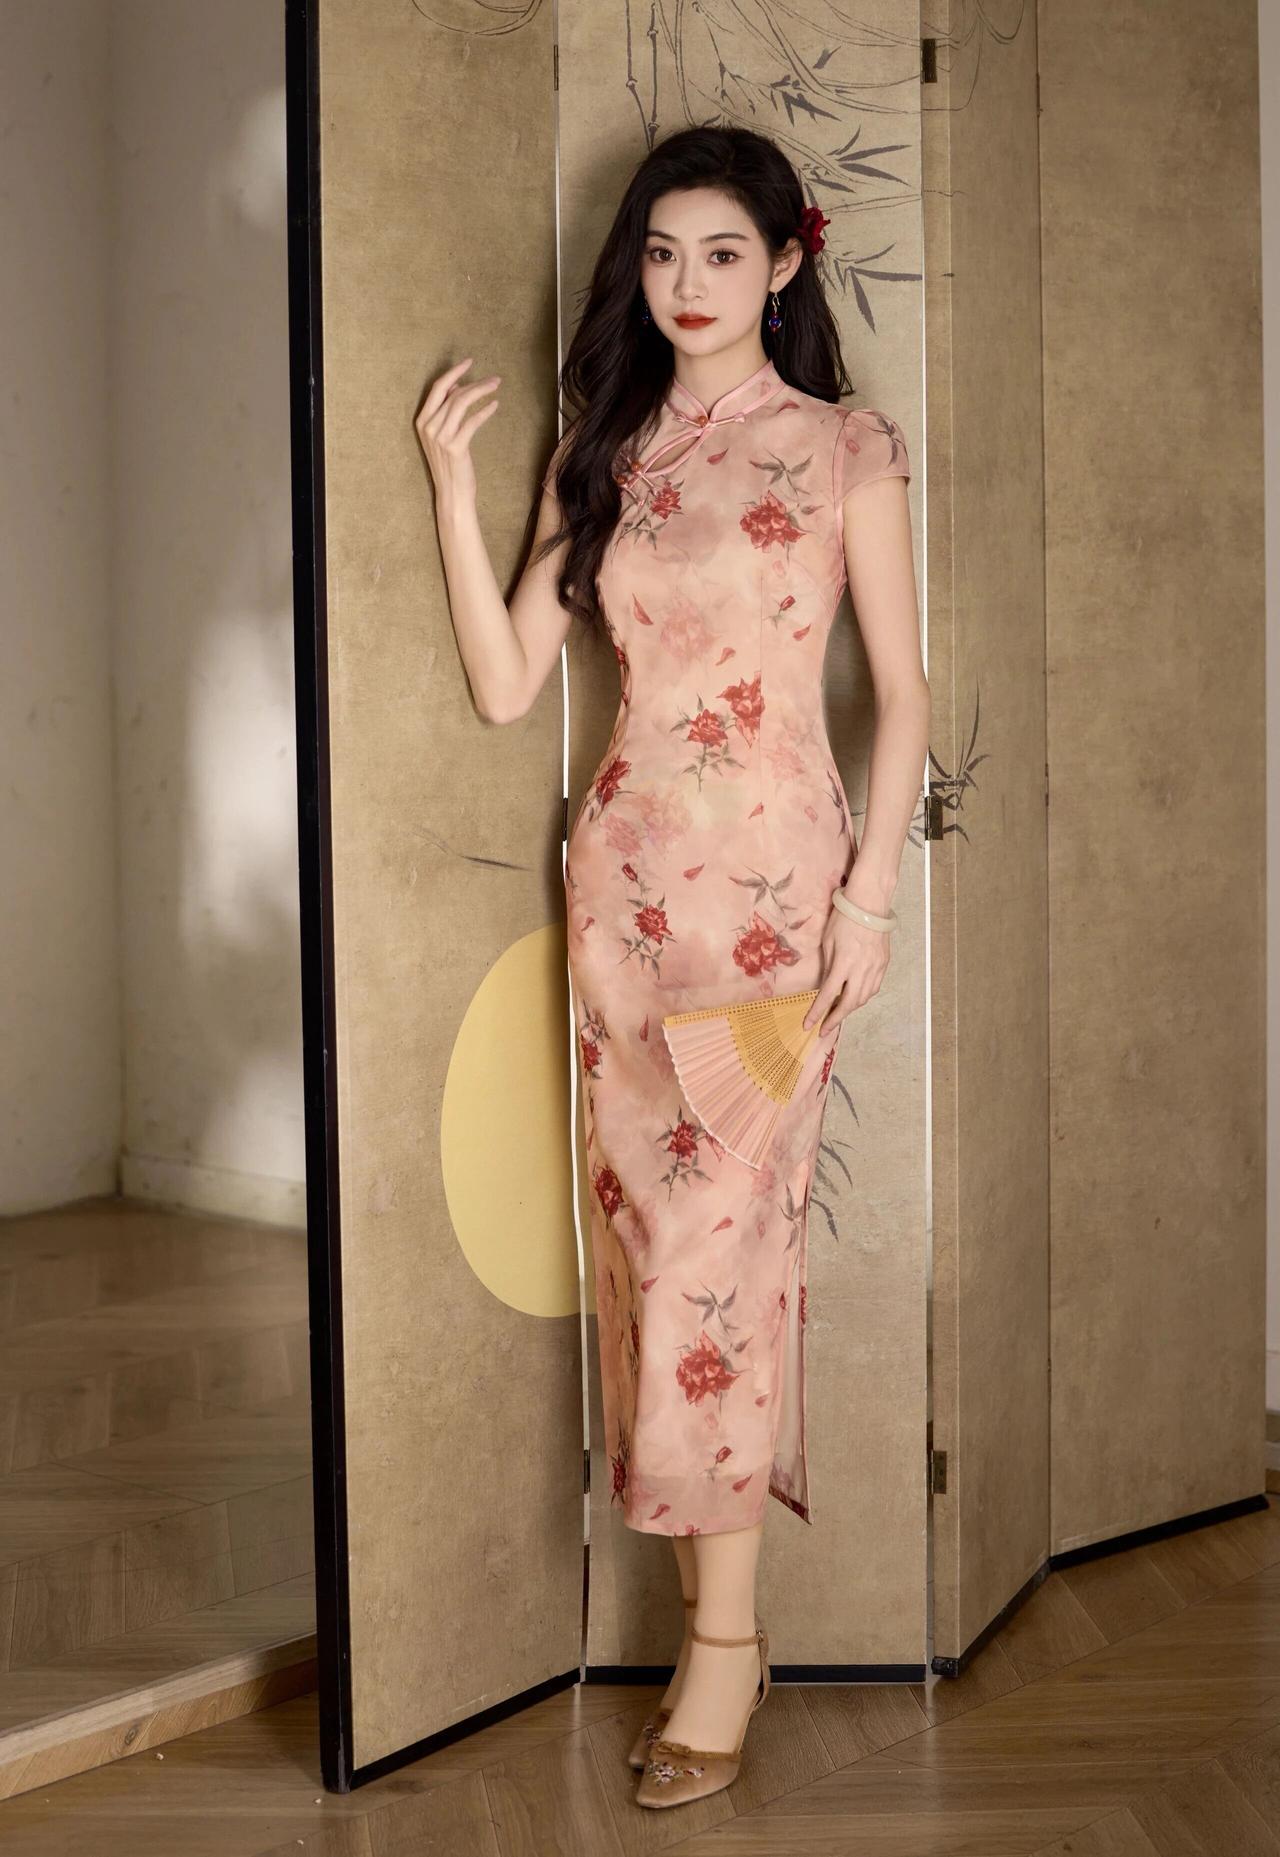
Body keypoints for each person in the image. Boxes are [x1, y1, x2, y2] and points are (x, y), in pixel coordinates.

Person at [415, 124, 926, 1812]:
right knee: (652, 1250)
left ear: (785, 262)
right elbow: (510, 683)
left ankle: (723, 1643)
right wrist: (451, 487)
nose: (686, 284)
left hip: (777, 911)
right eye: (660, 252)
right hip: (627, 900)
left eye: (721, 252)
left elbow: (902, 696)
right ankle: (724, 1634)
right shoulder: (608, 445)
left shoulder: (844, 446)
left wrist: (869, 902)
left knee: (725, 1252)